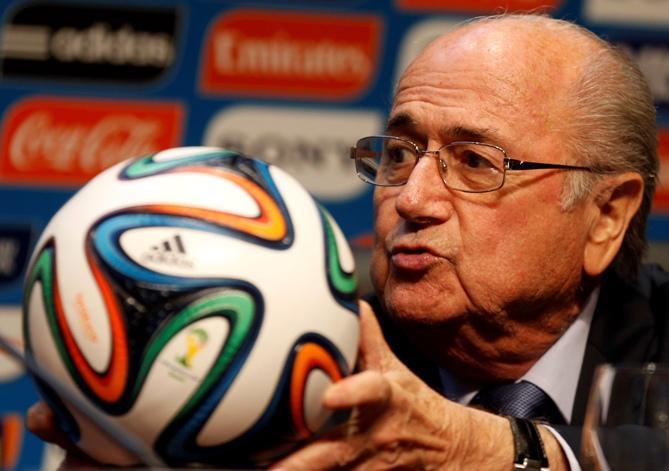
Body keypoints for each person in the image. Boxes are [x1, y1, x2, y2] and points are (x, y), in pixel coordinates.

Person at [28, 12, 669, 470]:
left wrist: (489, 451)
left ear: (607, 214)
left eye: (475, 162)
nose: (412, 200)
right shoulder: (276, 367)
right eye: (399, 153)